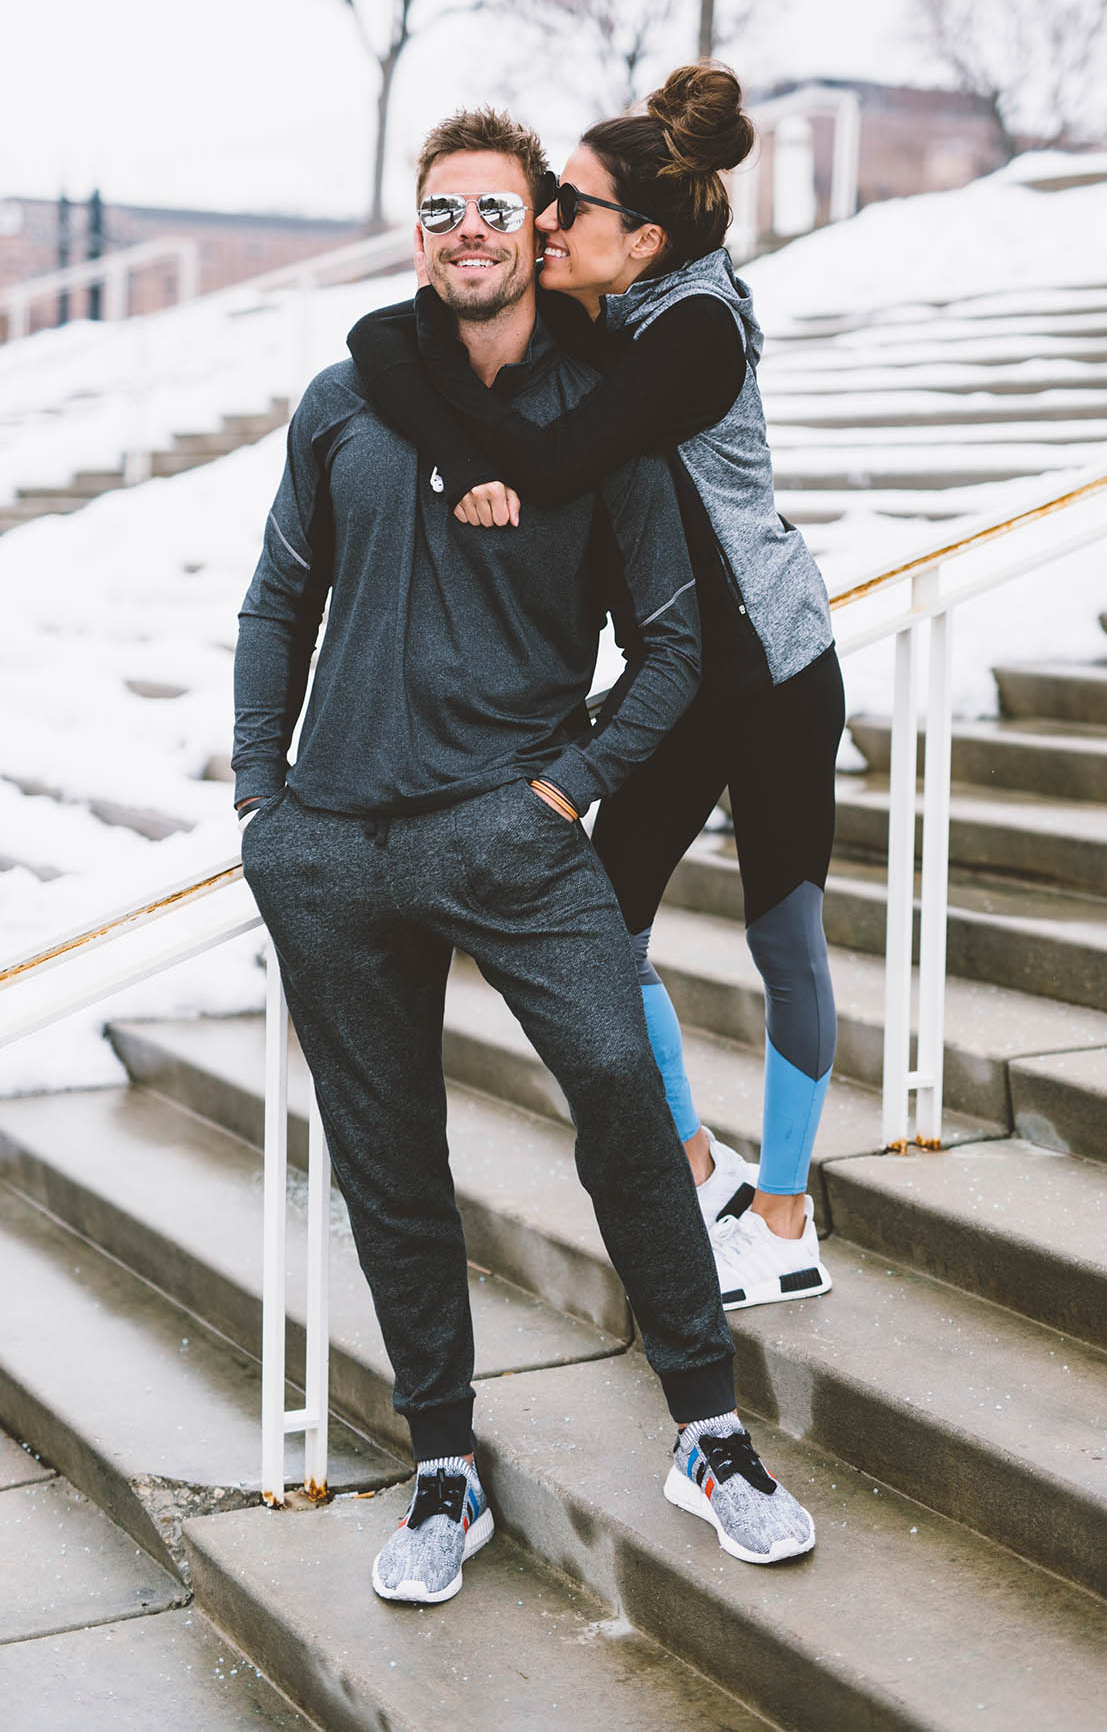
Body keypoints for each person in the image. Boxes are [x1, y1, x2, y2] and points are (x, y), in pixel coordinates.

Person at [233, 105, 815, 1608]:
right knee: (390, 1158)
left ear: (537, 221)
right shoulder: (344, 401)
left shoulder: (604, 406)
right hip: (337, 850)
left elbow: (676, 644)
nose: (471, 233)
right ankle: (444, 1466)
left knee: (623, 1096)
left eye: (498, 209)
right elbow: (277, 603)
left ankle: (708, 1430)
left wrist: (569, 790)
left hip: (514, 831)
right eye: (443, 212)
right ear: (415, 230)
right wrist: (262, 803)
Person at [347, 64, 844, 1316]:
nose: (547, 221)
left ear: (644, 238)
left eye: (569, 203)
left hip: (775, 672)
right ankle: (693, 1169)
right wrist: (455, 414)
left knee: (784, 935)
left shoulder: (694, 329)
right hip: (676, 686)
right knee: (604, 933)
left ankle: (783, 1214)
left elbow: (559, 463)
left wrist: (465, 437)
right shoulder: (610, 315)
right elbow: (383, 338)